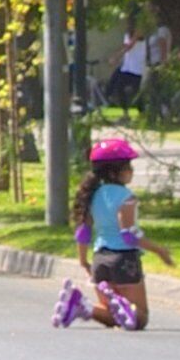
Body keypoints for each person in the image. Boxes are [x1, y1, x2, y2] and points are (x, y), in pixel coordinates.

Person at [56, 135, 169, 329]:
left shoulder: (91, 196)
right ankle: (122, 304)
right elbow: (129, 234)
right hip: (124, 260)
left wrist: (83, 261)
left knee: (113, 314)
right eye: (128, 167)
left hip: (100, 259)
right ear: (115, 172)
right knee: (140, 317)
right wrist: (158, 250)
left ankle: (83, 306)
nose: (132, 171)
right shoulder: (126, 197)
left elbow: (83, 231)